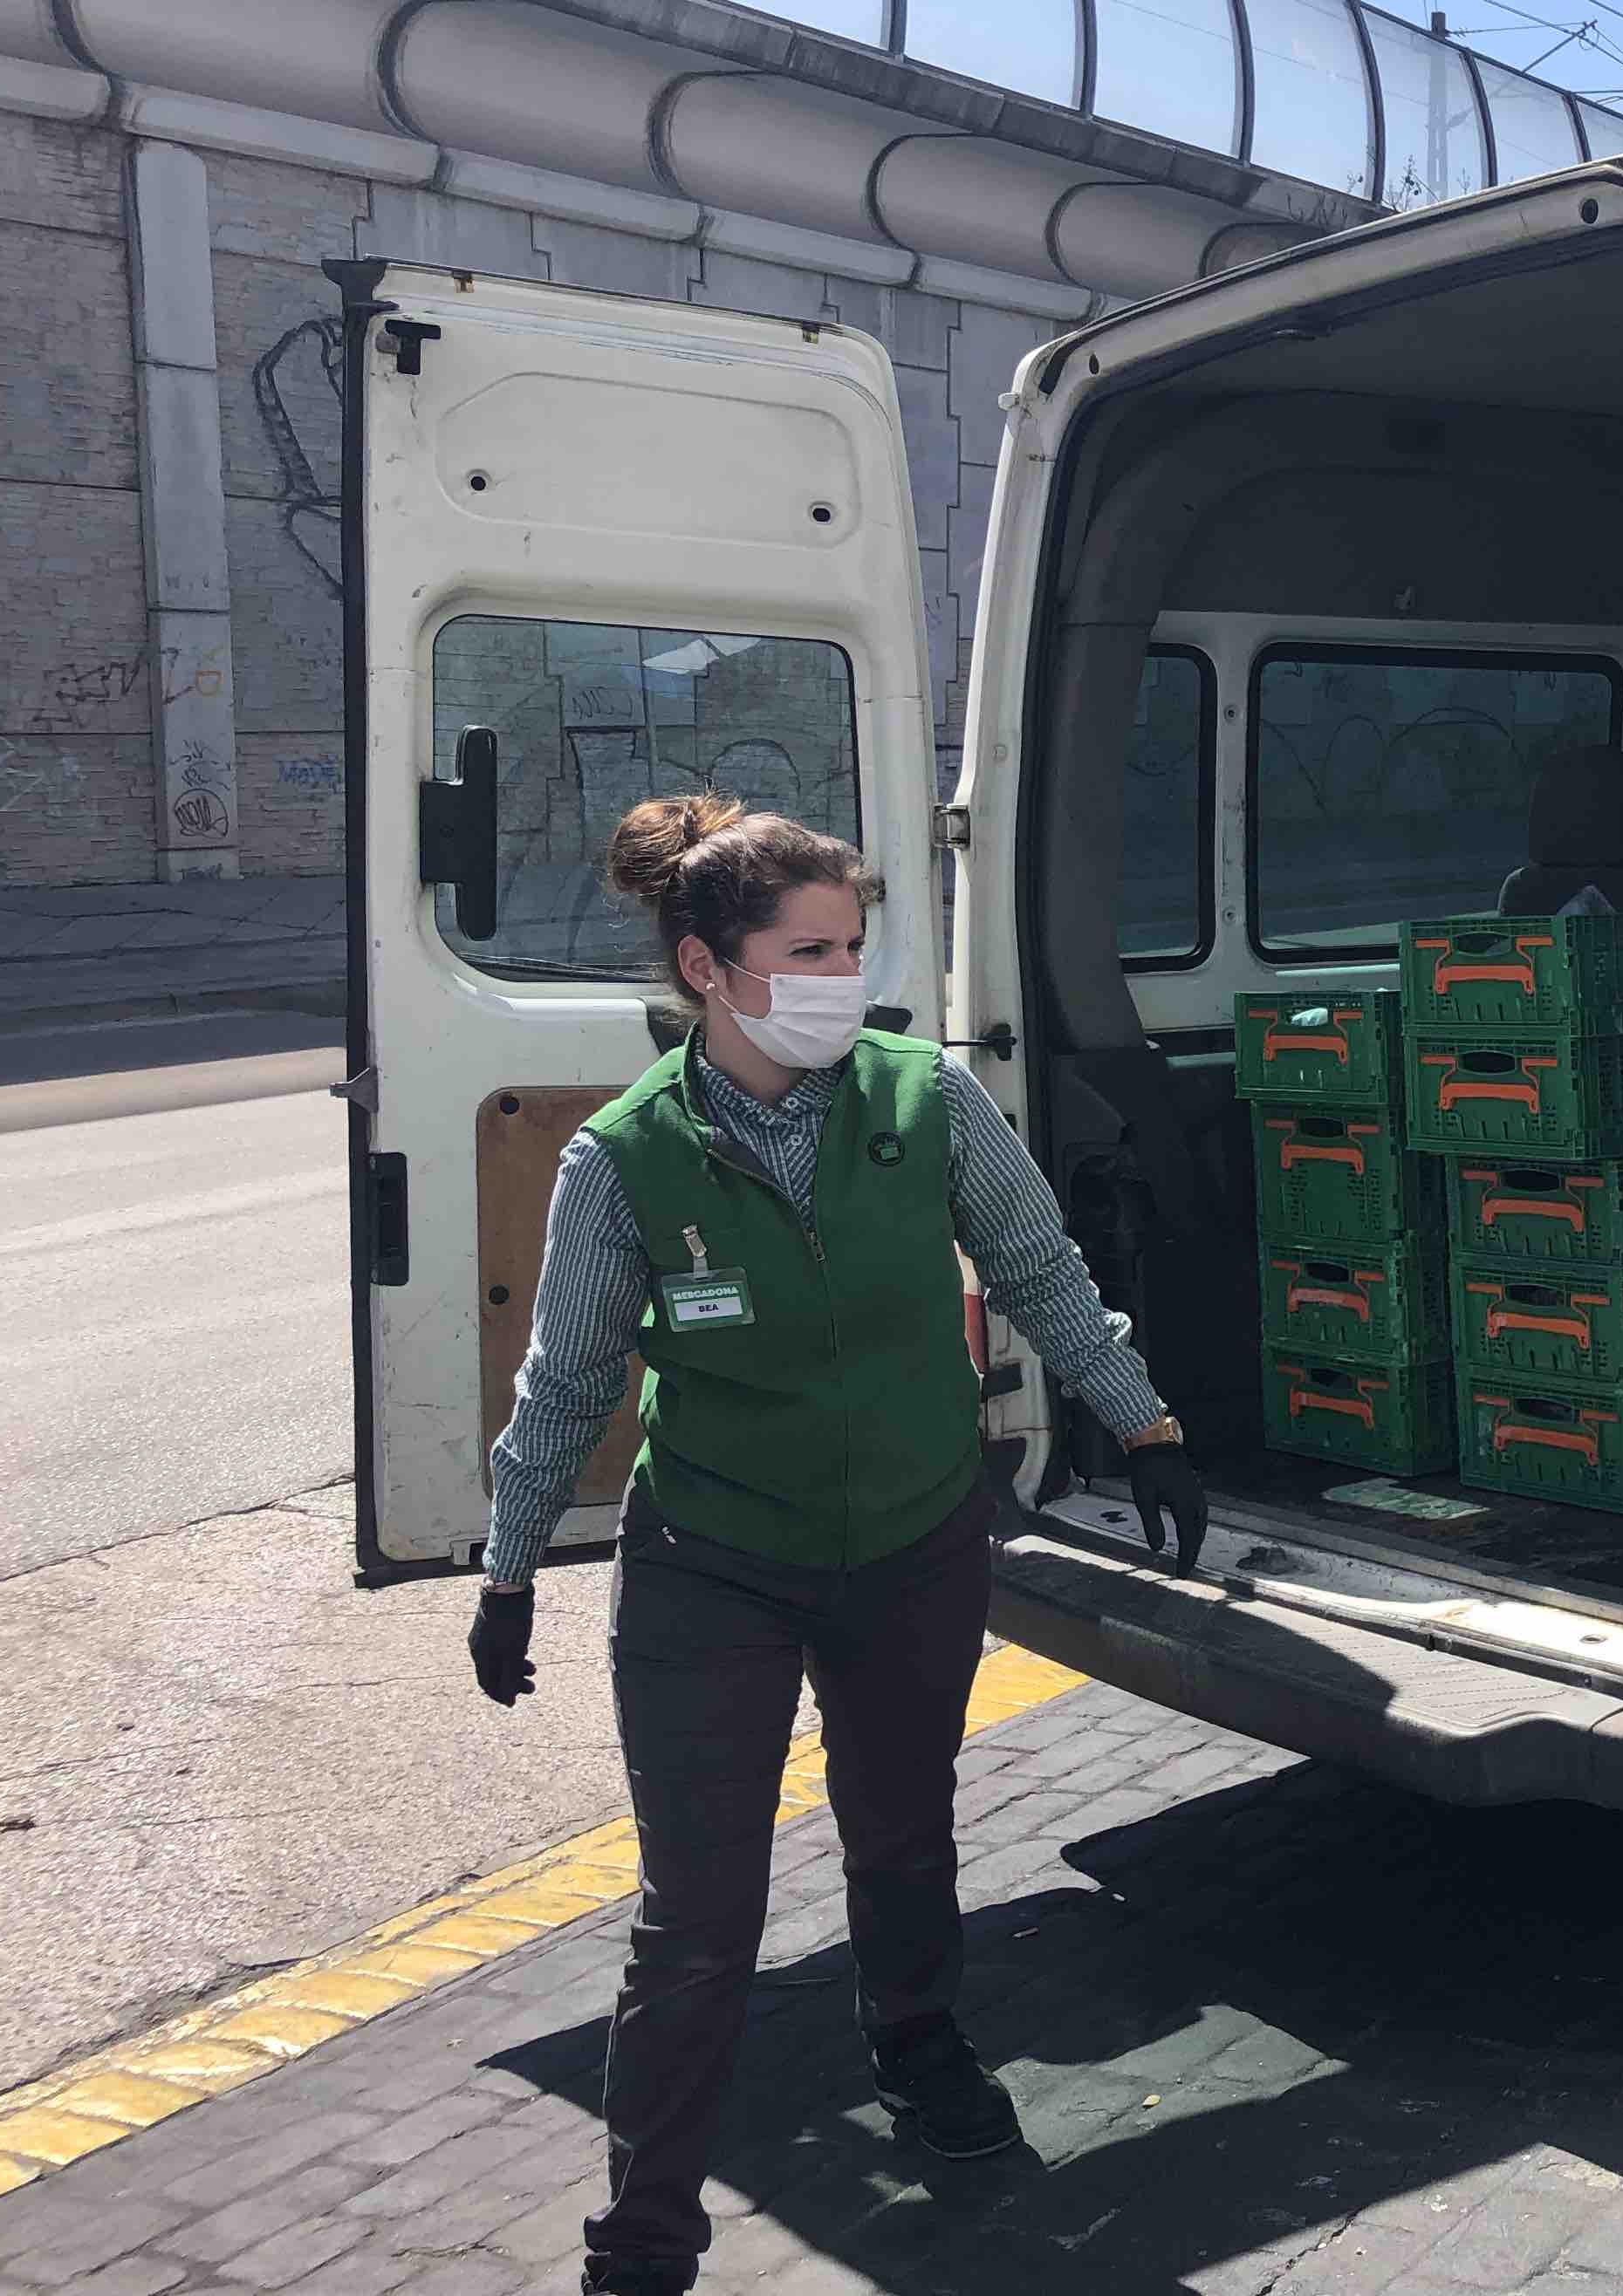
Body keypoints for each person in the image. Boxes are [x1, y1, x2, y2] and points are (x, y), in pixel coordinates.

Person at [469, 795, 1209, 2296]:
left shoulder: (923, 1096)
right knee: (696, 1914)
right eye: (807, 949)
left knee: (902, 1830)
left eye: (853, 946)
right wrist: (504, 1568)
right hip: (715, 1555)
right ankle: (645, 2238)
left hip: (916, 1536)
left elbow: (1036, 1266)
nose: (842, 976)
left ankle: (924, 2048)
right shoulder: (624, 1161)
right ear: (707, 968)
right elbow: (567, 1381)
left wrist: (1140, 1422)